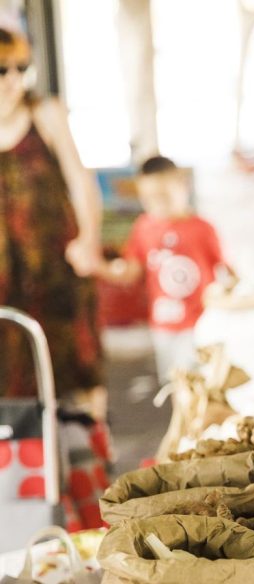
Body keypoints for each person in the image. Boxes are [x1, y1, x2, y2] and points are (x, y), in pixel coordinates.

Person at [0, 27, 110, 530]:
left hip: (56, 272)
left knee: (76, 383)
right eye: (3, 70)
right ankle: (31, 515)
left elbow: (78, 177)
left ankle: (96, 510)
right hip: (5, 284)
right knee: (15, 390)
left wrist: (88, 237)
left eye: (21, 69)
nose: (13, 80)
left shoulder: (44, 114)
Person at [96, 156, 230, 383]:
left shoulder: (203, 229)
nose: (157, 203)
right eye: (149, 198)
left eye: (163, 195)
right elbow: (130, 271)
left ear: (182, 187)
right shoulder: (143, 227)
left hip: (200, 323)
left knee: (202, 383)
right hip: (163, 327)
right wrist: (97, 267)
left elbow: (226, 272)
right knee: (173, 385)